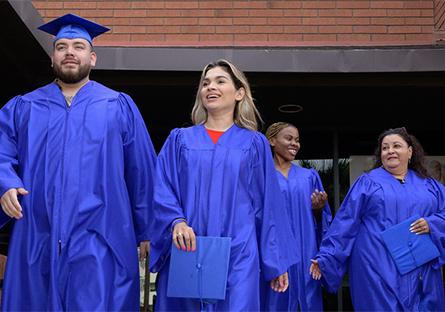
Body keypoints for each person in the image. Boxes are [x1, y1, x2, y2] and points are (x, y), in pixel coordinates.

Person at [0, 14, 157, 311]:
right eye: (61, 46)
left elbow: (142, 170)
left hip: (102, 234)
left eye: (78, 46)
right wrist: (6, 183)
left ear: (92, 58)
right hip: (38, 232)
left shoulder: (118, 106)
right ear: (52, 58)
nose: (70, 52)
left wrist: (147, 229)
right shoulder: (24, 107)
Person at [149, 59, 297, 311]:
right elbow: (162, 187)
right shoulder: (180, 140)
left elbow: (268, 203)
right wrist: (176, 221)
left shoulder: (254, 143)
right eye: (205, 83)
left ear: (239, 93)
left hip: (238, 251)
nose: (210, 87)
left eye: (220, 81)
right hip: (188, 247)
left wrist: (276, 260)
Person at [310, 127, 445, 310]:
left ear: (410, 151)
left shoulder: (430, 186)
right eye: (385, 148)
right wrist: (327, 257)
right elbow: (345, 223)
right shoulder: (367, 183)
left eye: (396, 146)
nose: (390, 151)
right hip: (376, 264)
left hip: (420, 266)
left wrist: (432, 224)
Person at [262, 122, 332, 311]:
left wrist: (318, 210)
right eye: (289, 138)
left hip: (306, 252)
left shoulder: (308, 176)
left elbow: (324, 220)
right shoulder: (262, 177)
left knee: (309, 300)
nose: (295, 144)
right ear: (271, 140)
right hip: (275, 253)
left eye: (298, 140)